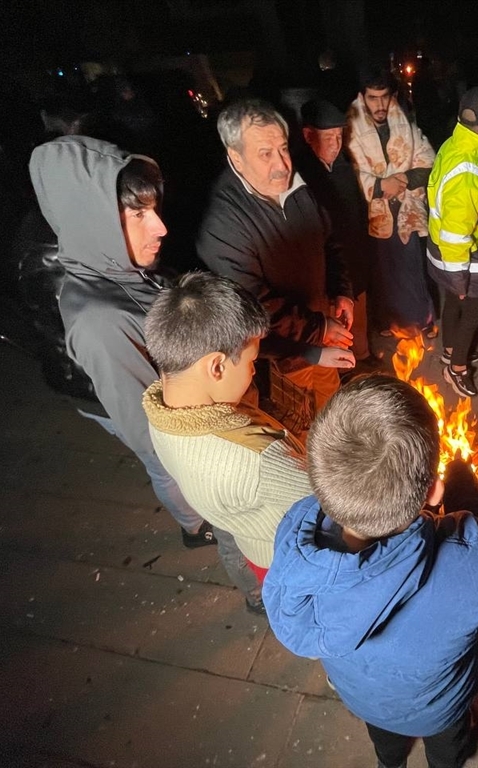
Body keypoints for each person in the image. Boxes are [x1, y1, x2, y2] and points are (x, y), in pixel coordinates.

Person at [262, 375, 478, 768]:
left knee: (386, 737)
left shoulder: (295, 539)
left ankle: (389, 762)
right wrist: (463, 477)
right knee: (448, 745)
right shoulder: (473, 560)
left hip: (364, 697)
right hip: (437, 704)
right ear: (434, 493)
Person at [29, 136, 214, 548]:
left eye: (153, 209)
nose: (160, 227)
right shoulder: (101, 320)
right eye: (137, 214)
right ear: (92, 218)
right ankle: (194, 526)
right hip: (145, 419)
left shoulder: (121, 264)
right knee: (164, 468)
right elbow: (151, 434)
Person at [142, 273, 312, 612]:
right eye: (251, 362)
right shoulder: (255, 458)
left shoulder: (161, 408)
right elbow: (328, 502)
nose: (253, 372)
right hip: (288, 554)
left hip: (250, 539)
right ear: (217, 366)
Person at [197, 98, 356, 417]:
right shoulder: (223, 223)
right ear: (236, 157)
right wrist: (315, 336)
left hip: (321, 330)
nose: (282, 164)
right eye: (265, 154)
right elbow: (254, 308)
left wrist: (342, 291)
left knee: (334, 411)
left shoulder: (297, 181)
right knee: (304, 427)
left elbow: (326, 237)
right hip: (289, 355)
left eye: (283, 148)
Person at [345, 66, 437, 337]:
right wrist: (378, 184)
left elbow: (428, 159)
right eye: (373, 98)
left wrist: (404, 179)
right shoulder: (350, 126)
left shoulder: (403, 121)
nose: (380, 104)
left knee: (410, 270)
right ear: (363, 97)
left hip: (405, 209)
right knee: (384, 274)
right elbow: (348, 171)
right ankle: (389, 322)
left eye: (384, 96)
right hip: (372, 213)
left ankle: (421, 320)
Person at [427, 86, 478, 399]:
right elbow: (459, 235)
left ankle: (449, 351)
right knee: (473, 312)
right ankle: (456, 369)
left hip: (439, 250)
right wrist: (461, 280)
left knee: (453, 306)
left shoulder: (452, 145)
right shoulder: (470, 173)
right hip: (465, 259)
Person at [296, 98, 374, 365]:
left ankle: (361, 358)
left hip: (355, 260)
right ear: (308, 136)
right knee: (337, 324)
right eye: (328, 137)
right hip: (330, 270)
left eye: (339, 135)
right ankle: (345, 368)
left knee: (359, 315)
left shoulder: (342, 165)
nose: (336, 143)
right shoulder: (303, 176)